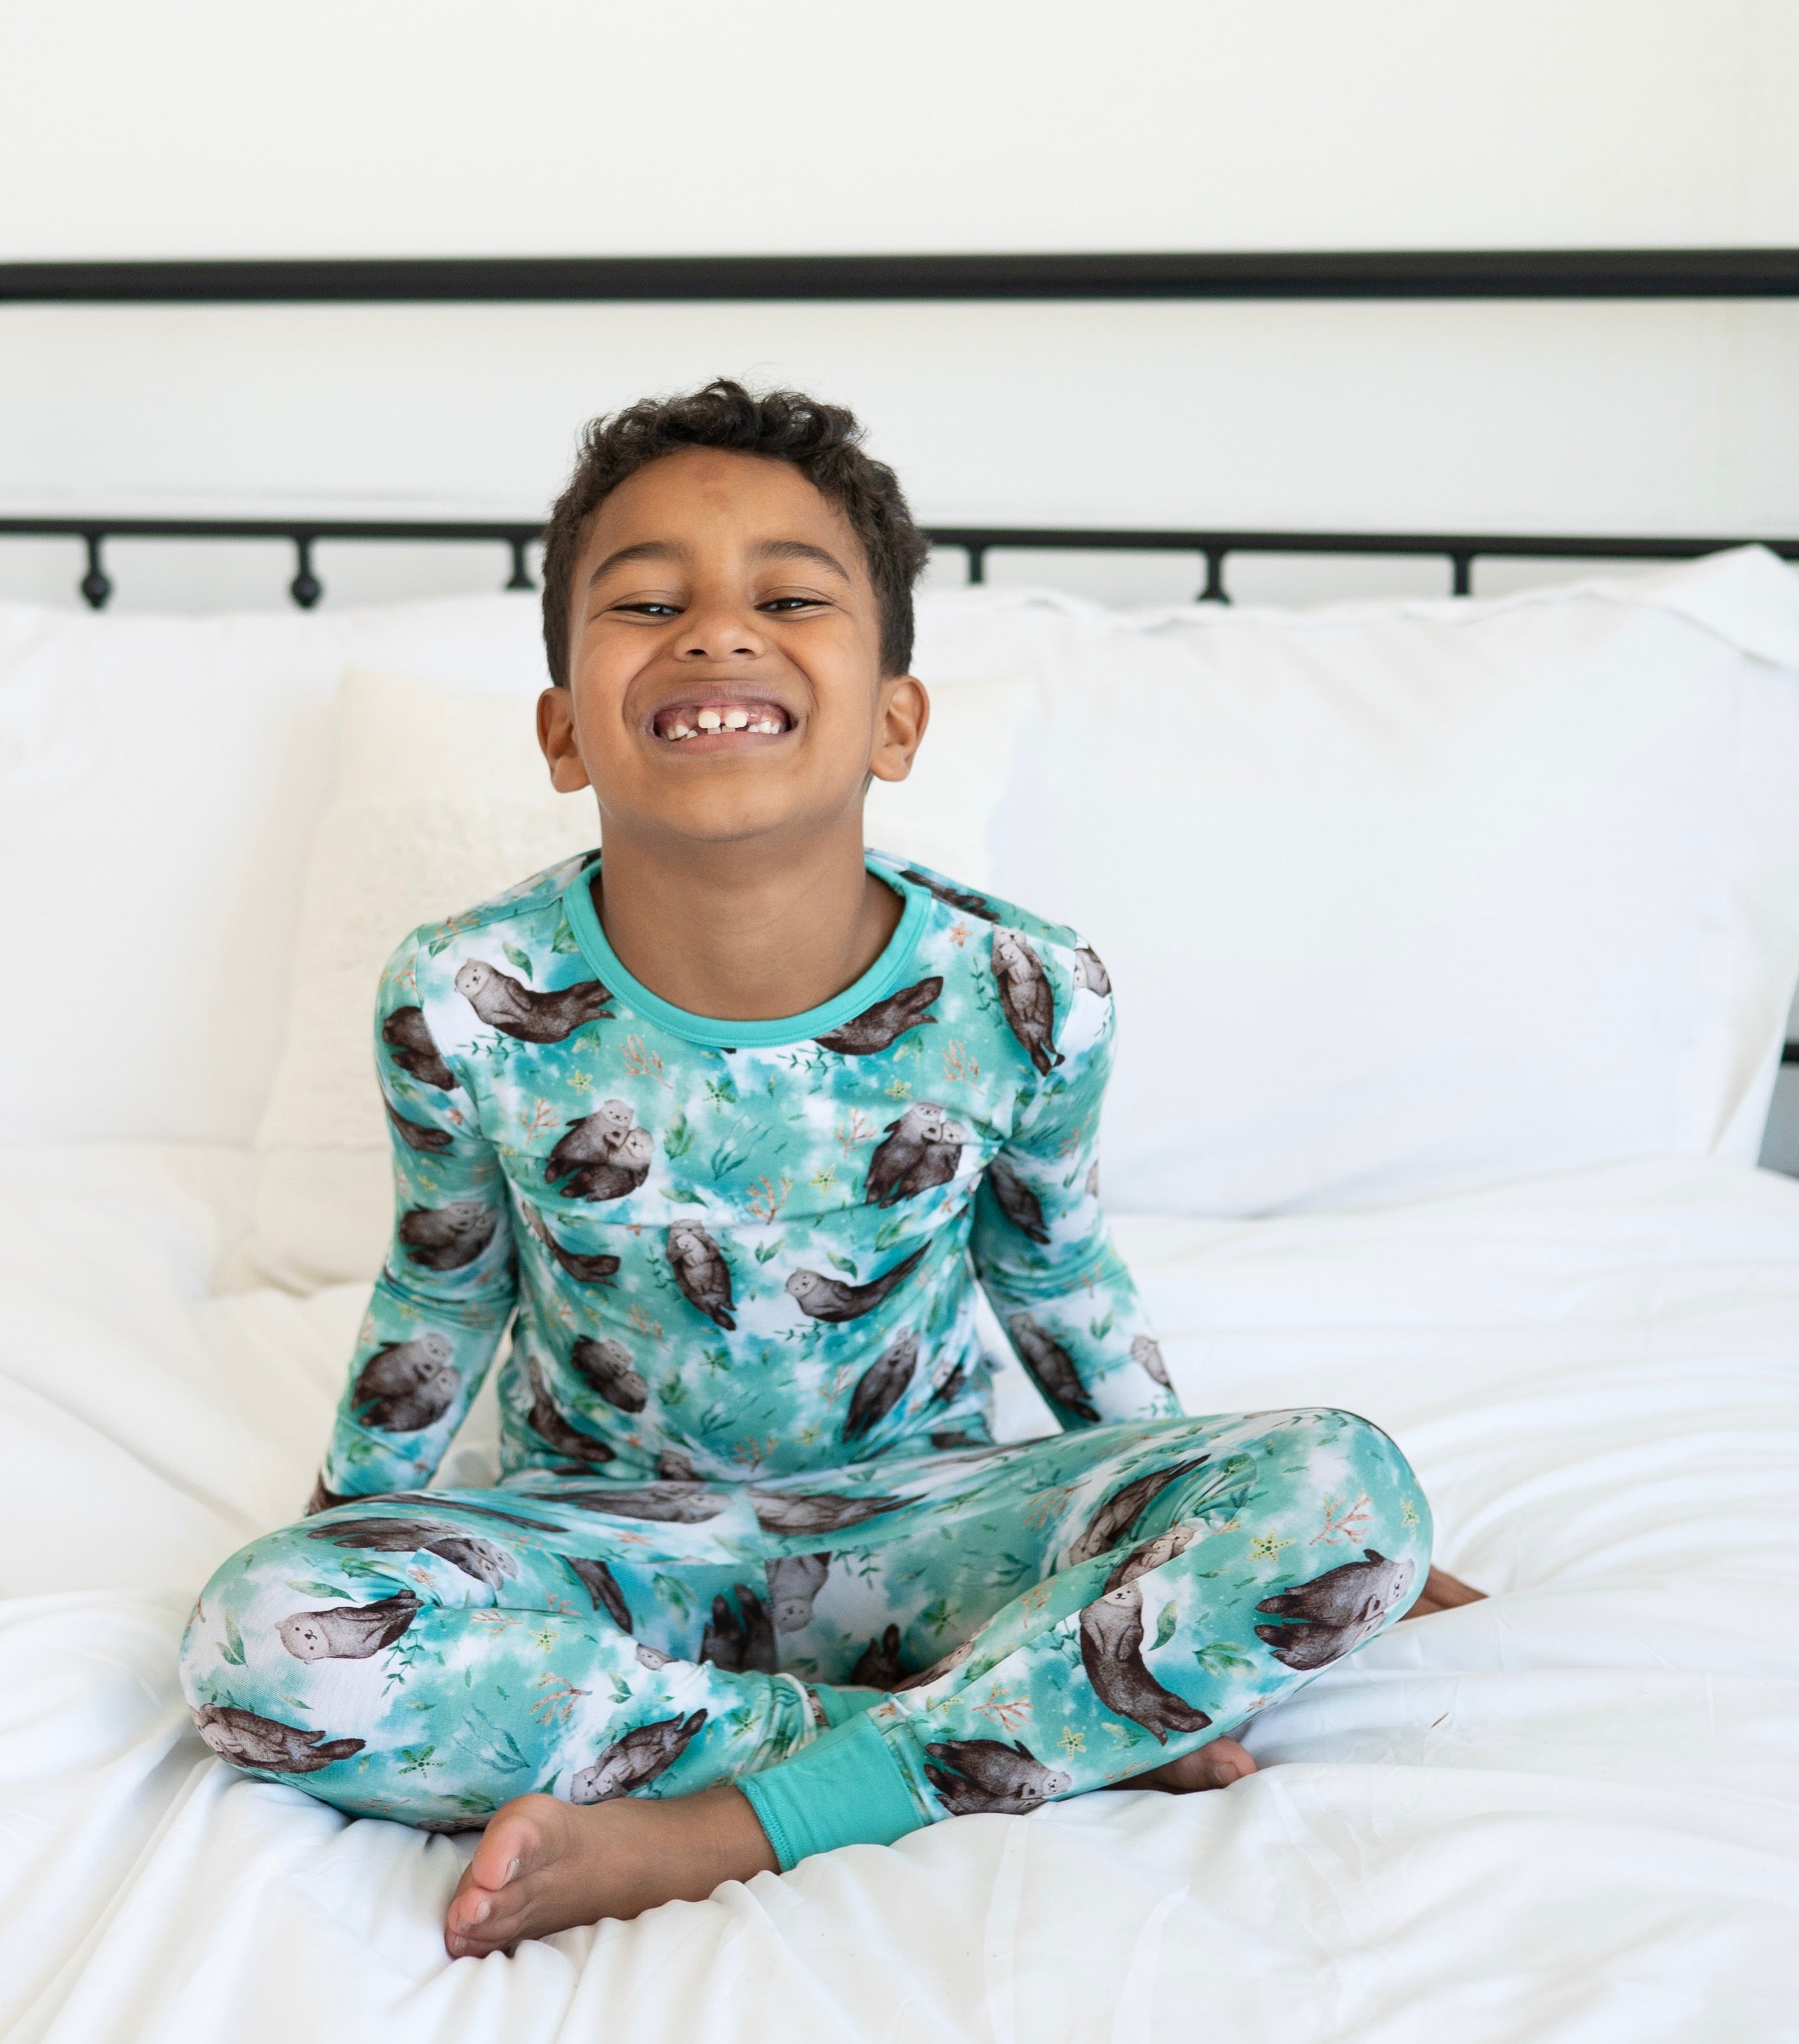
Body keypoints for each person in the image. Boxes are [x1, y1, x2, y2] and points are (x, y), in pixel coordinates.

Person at [179, 380, 1482, 1956]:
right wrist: (349, 1540)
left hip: (932, 1531)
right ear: (559, 727)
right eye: (648, 600)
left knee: (1349, 1487)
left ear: (895, 719)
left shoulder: (1032, 994)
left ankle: (732, 1822)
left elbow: (1058, 1279)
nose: (716, 633)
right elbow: (439, 1286)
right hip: (613, 1540)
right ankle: (1007, 1731)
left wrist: (1185, 1520)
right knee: (256, 1642)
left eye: (788, 597)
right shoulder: (458, 996)